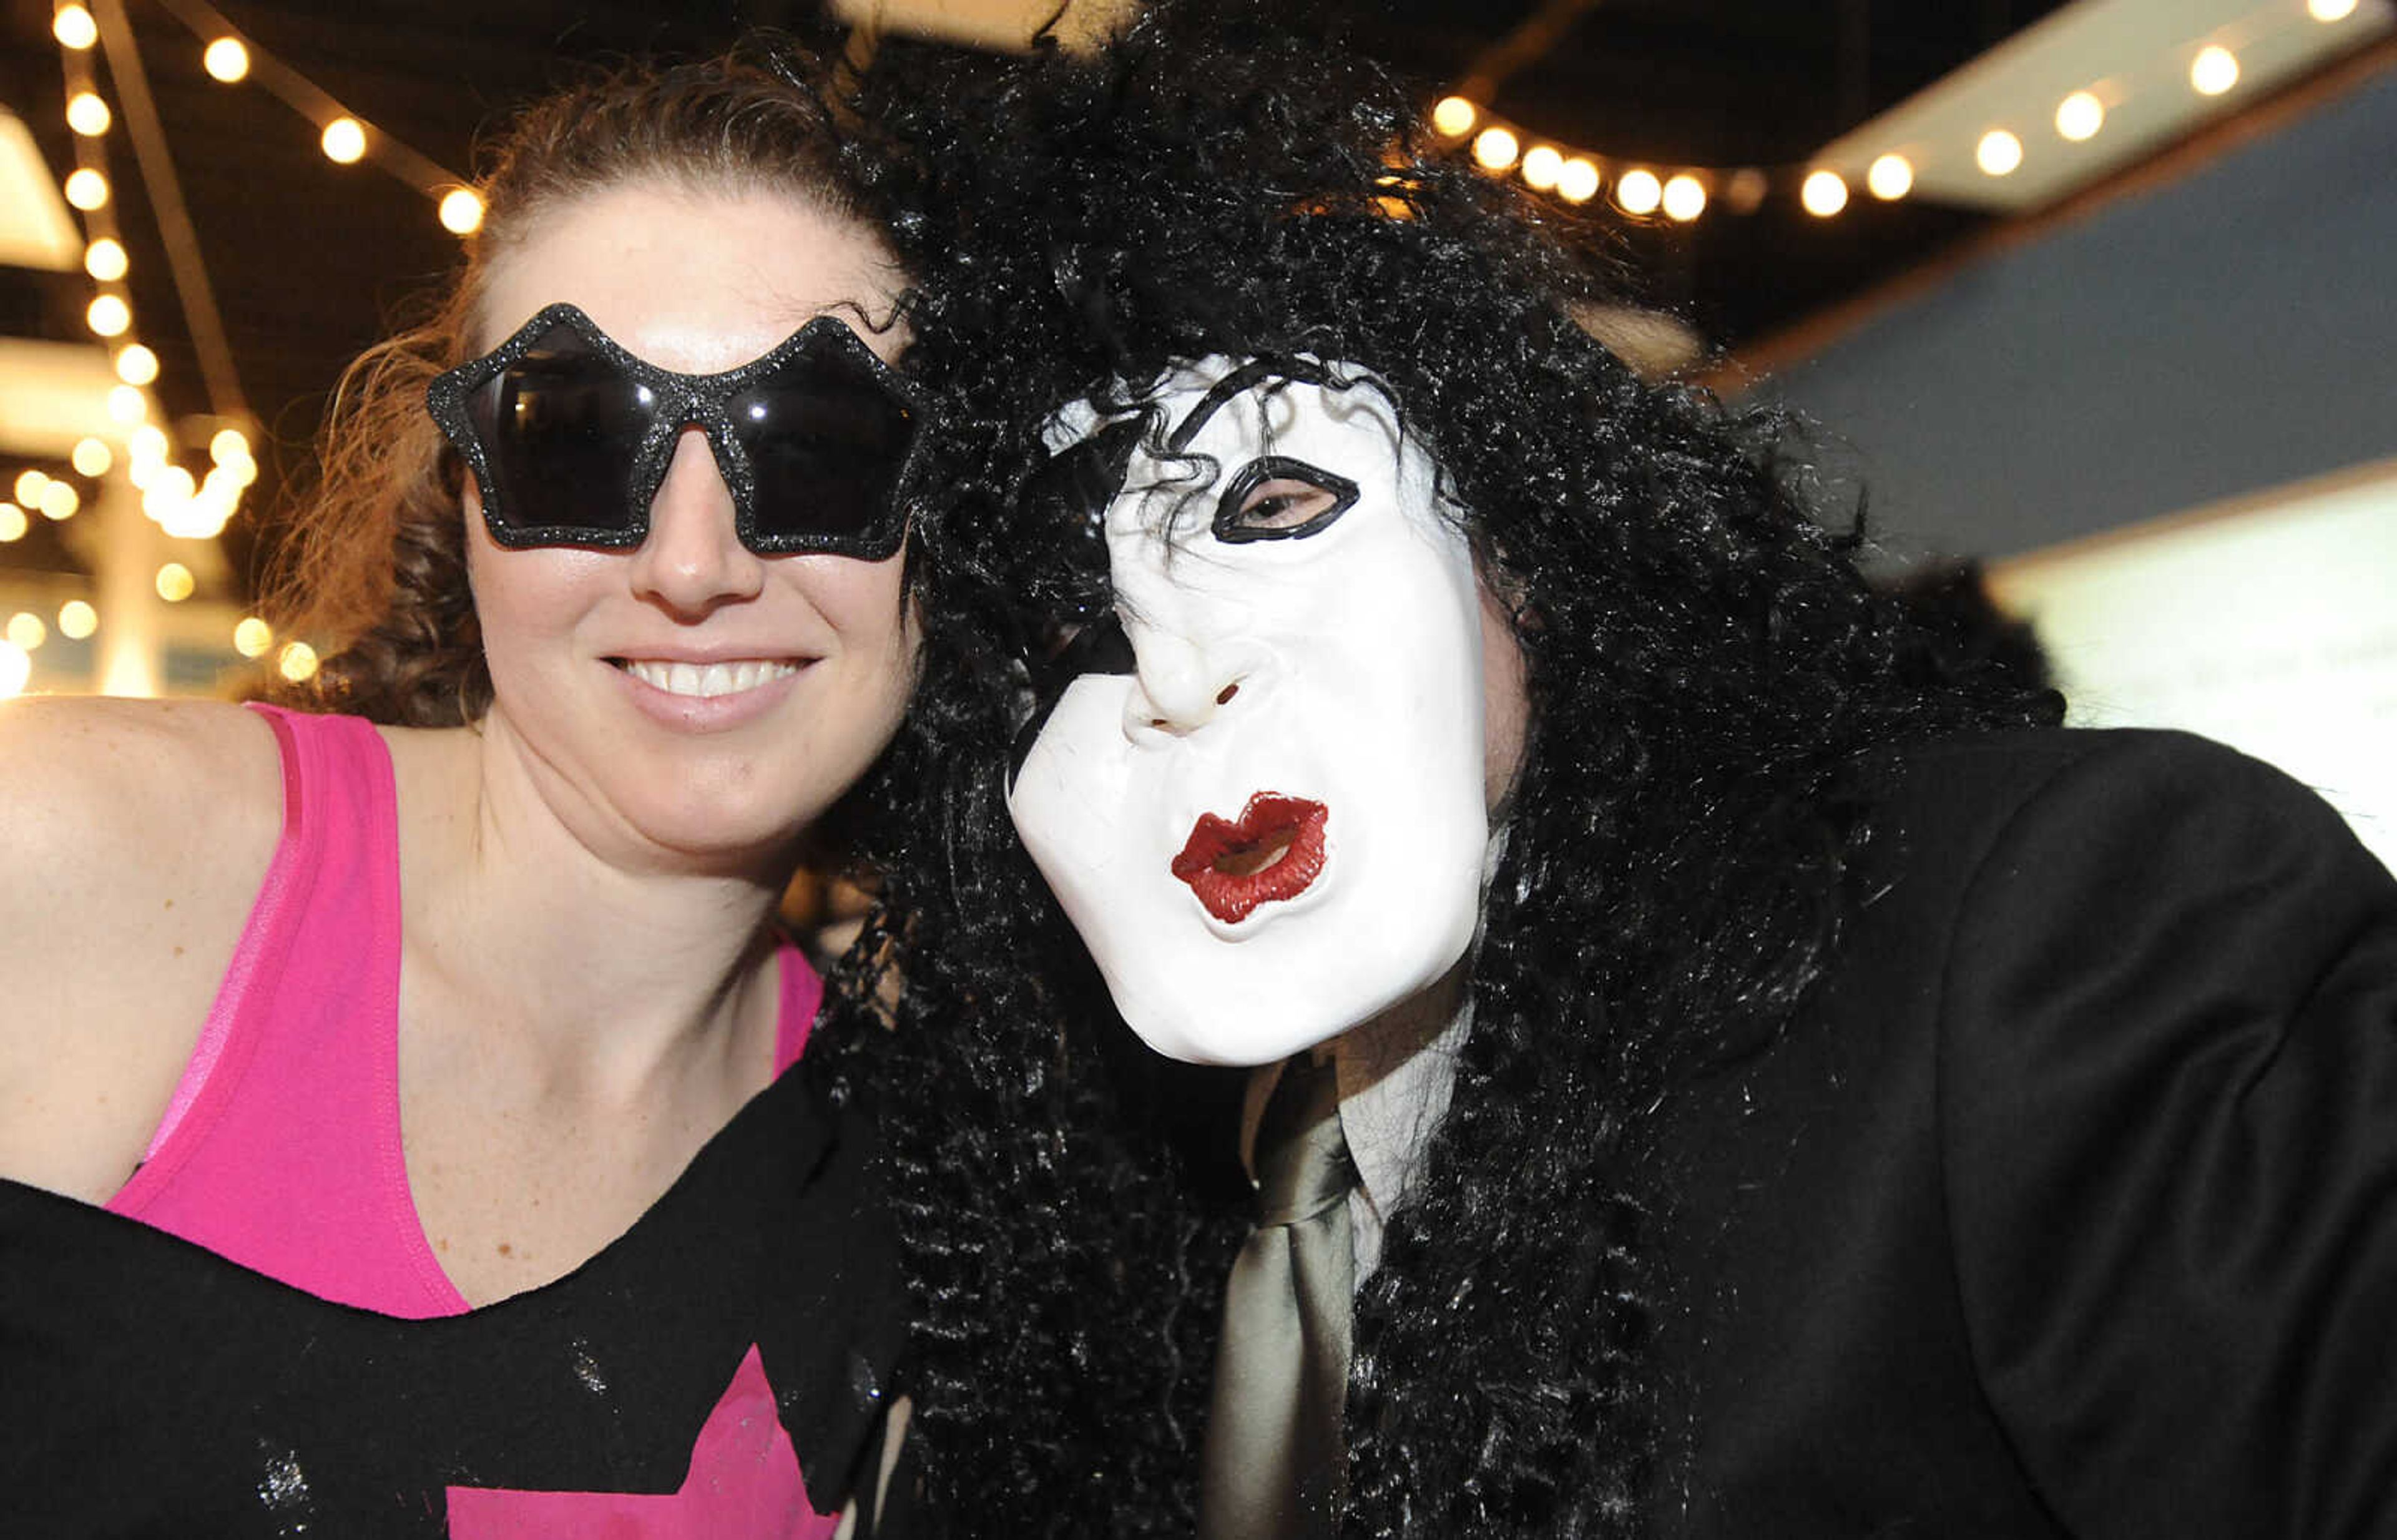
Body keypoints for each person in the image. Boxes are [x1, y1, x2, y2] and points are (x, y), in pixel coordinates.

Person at [825, 9, 2397, 1536]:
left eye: (1275, 504)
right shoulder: (1081, 1207)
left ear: (1527, 532)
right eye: (1074, 619)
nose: (1180, 667)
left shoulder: (2056, 949)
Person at [0, 47, 921, 1536]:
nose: (692, 565)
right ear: (467, 500)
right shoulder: (78, 857)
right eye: (577, 434)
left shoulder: (921, 1165)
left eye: (815, 449)